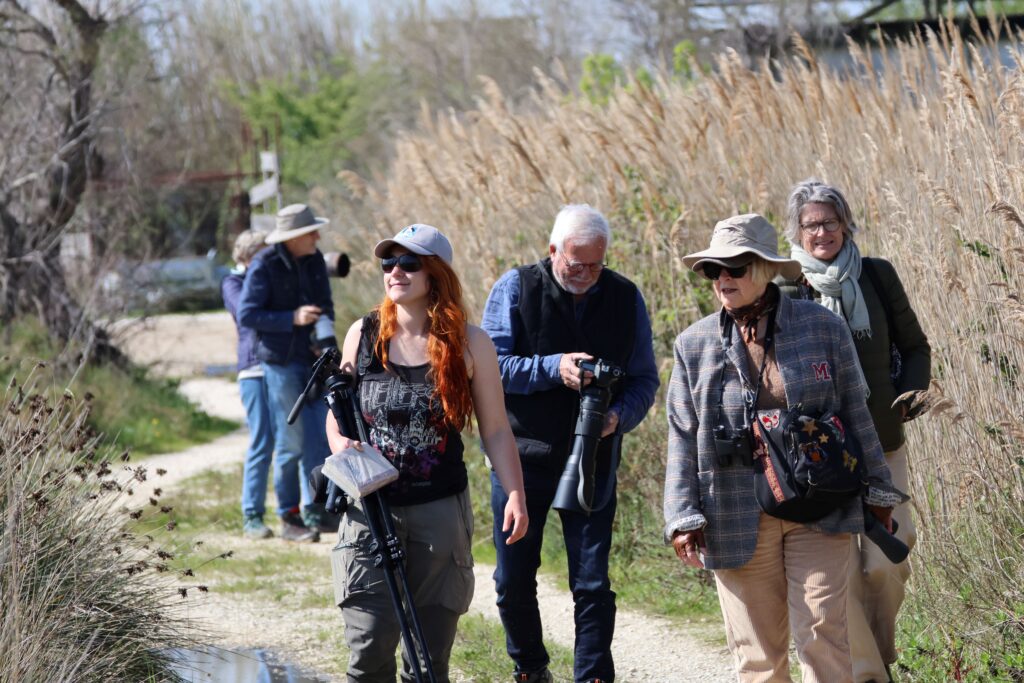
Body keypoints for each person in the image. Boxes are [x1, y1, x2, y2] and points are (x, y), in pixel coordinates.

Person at [663, 213, 905, 683]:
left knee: (824, 633)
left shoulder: (822, 328)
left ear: (767, 268)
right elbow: (682, 435)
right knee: (758, 654)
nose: (724, 279)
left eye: (735, 266)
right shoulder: (693, 345)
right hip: (732, 509)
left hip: (821, 505)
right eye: (715, 270)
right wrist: (683, 516)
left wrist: (878, 492)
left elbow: (857, 412)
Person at [326, 223, 529, 683]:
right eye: (388, 263)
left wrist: (515, 493)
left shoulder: (470, 344)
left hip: (439, 511)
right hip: (369, 509)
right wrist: (341, 445)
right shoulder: (365, 333)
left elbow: (495, 430)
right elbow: (337, 410)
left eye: (409, 263)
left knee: (428, 658)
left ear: (434, 273)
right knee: (368, 648)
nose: (395, 271)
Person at [481, 204, 659, 683]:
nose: (585, 274)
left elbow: (644, 379)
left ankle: (593, 677)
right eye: (574, 264)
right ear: (552, 250)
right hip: (521, 459)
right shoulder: (514, 288)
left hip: (593, 457)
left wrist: (618, 417)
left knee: (592, 582)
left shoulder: (625, 297)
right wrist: (551, 367)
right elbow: (489, 367)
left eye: (596, 265)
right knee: (512, 580)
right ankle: (530, 667)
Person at [781, 179, 931, 683]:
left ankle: (878, 652)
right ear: (796, 232)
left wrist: (907, 398)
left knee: (888, 559)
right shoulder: (787, 288)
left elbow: (915, 346)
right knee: (840, 573)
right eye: (810, 225)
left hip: (883, 441)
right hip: (824, 458)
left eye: (828, 222)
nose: (820, 232)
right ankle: (867, 674)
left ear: (846, 224)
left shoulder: (877, 275)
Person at [238, 204, 336, 543]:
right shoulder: (264, 265)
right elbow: (248, 315)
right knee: (290, 442)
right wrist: (292, 319)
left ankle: (316, 510)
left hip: (313, 361)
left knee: (320, 437)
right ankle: (289, 516)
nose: (318, 237)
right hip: (279, 363)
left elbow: (327, 306)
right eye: (312, 232)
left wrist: (324, 343)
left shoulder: (314, 260)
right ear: (294, 237)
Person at [221, 228, 275, 539]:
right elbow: (245, 313)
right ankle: (251, 514)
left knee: (288, 442)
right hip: (253, 368)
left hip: (282, 365)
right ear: (248, 257)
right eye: (263, 253)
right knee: (261, 440)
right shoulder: (233, 281)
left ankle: (297, 512)